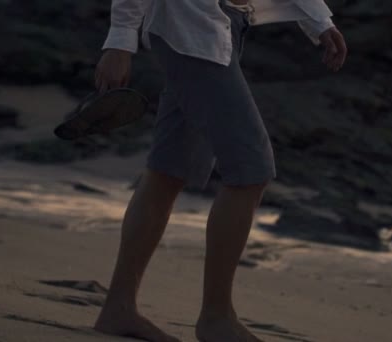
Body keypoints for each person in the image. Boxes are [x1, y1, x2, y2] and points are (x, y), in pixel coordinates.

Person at [93, 0, 347, 341]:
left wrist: (319, 21)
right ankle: (216, 317)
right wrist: (119, 41)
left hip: (224, 25)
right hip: (189, 26)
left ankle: (118, 309)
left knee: (169, 169)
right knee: (251, 169)